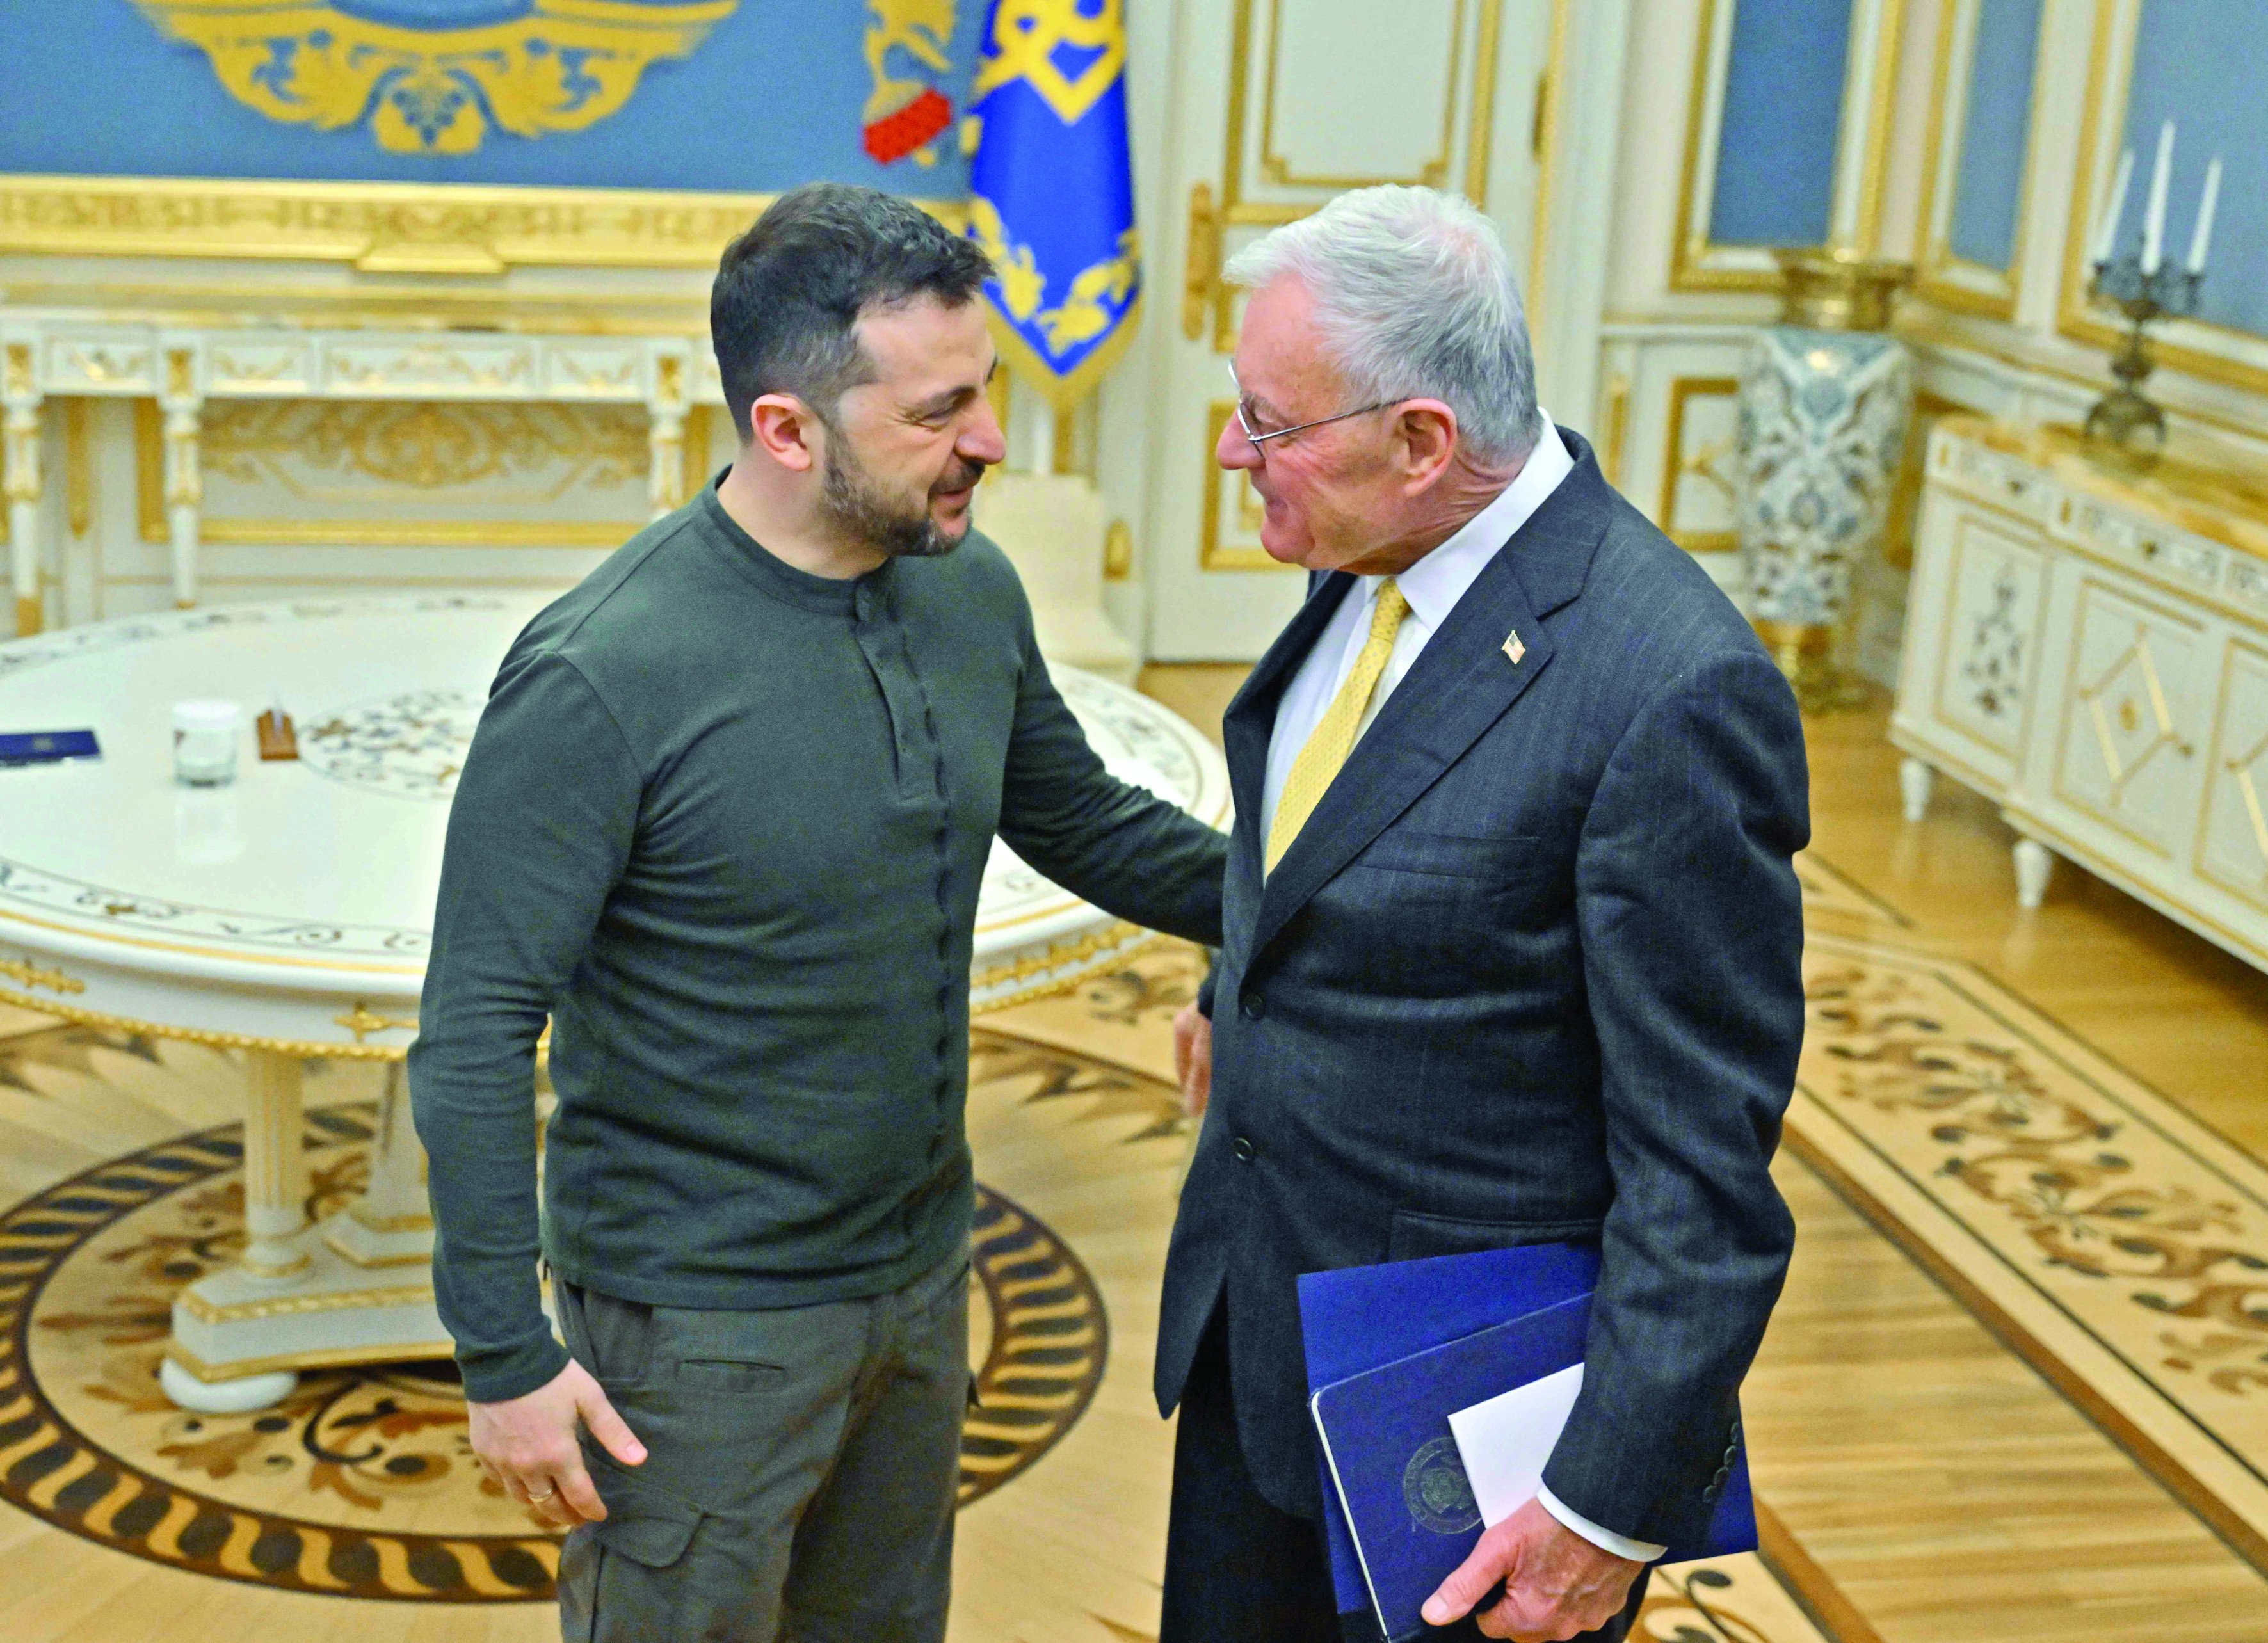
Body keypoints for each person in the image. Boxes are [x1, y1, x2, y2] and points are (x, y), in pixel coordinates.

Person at [408, 182, 1227, 1643]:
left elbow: (1082, 819)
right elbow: (473, 1033)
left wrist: (1328, 892)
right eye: (937, 413)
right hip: (693, 1337)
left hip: (917, 1283)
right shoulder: (603, 671)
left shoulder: (967, 588)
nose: (985, 441)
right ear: (786, 430)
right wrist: (503, 1360)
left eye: (984, 394)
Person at [1155, 185, 1809, 1643]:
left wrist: (1602, 1509)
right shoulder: (1367, 554)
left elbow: (1700, 1170)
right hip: (1253, 1346)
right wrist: (1236, 982)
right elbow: (1330, 821)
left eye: (1267, 422)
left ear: (1421, 442)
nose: (1228, 451)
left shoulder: (1667, 691)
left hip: (1461, 1449)